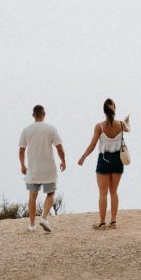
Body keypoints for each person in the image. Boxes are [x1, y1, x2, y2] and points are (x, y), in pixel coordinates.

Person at [77, 98, 130, 229]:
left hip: (104, 160)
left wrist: (83, 157)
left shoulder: (99, 126)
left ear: (104, 111)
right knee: (114, 192)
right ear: (114, 110)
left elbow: (93, 145)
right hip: (118, 160)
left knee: (103, 193)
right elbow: (128, 129)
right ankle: (113, 221)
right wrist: (127, 121)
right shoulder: (121, 125)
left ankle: (102, 222)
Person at [19, 104, 66, 232]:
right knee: (51, 193)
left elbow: (21, 151)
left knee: (32, 195)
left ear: (33, 115)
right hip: (48, 168)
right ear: (44, 114)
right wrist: (63, 161)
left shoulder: (26, 130)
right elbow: (59, 148)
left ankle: (32, 225)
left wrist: (22, 165)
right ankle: (44, 218)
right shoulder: (51, 129)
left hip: (33, 168)